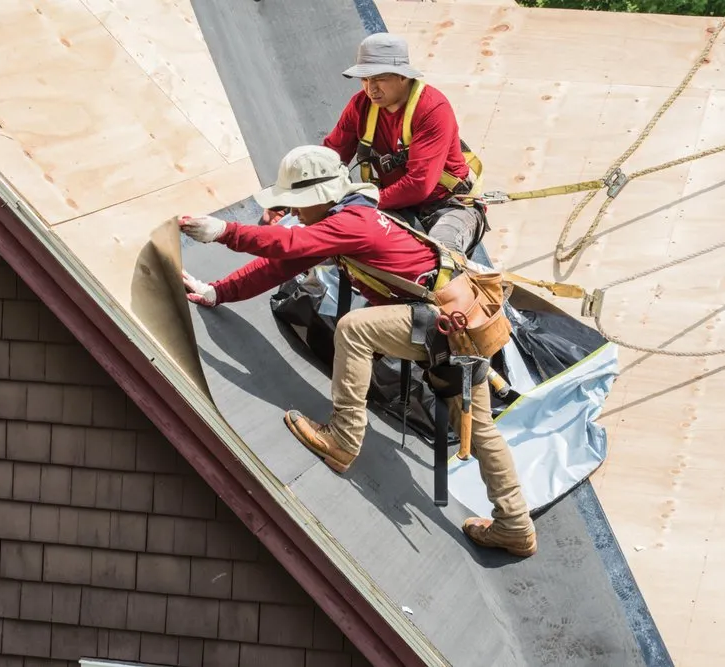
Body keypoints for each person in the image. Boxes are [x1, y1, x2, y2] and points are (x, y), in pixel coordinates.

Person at [176, 144, 536, 558]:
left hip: (442, 325)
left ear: (321, 197)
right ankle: (515, 525)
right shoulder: (349, 217)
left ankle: (343, 440)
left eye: (297, 204)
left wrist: (224, 232)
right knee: (482, 427)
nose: (295, 213)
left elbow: (287, 245)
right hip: (459, 325)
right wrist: (218, 290)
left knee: (354, 328)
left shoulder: (350, 222)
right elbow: (282, 264)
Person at [317, 32, 488, 257]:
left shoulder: (432, 109)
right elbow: (331, 156)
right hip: (393, 205)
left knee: (441, 255)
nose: (371, 89)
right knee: (339, 243)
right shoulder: (361, 106)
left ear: (403, 77)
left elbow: (419, 184)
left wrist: (364, 202)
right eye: (365, 79)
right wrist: (296, 198)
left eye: (379, 78)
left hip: (449, 206)